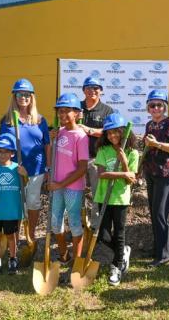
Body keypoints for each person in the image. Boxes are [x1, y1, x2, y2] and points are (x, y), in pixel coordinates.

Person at [0, 79, 51, 246]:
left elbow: (47, 145)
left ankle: (31, 235)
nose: (23, 97)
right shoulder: (6, 121)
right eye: (20, 94)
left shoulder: (40, 120)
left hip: (36, 169)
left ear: (32, 97)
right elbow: (1, 145)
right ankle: (16, 236)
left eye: (27, 94)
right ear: (14, 96)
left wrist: (48, 168)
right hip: (14, 169)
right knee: (17, 203)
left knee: (33, 202)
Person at [95, 113, 139, 285]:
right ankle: (122, 253)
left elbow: (131, 179)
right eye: (109, 133)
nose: (112, 136)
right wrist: (123, 172)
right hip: (103, 197)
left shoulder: (132, 152)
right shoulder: (103, 151)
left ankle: (117, 266)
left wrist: (124, 161)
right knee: (104, 234)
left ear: (122, 132)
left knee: (119, 233)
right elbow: (101, 174)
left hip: (120, 198)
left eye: (116, 132)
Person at [142, 90, 169, 267]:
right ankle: (158, 250)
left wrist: (157, 144)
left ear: (165, 107)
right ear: (148, 108)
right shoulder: (150, 125)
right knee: (154, 212)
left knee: (161, 214)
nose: (156, 108)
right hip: (151, 173)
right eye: (152, 105)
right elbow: (147, 149)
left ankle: (163, 256)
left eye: (159, 105)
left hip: (166, 174)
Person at [48, 93, 89, 264]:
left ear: (77, 113)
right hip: (57, 185)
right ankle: (64, 254)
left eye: (67, 111)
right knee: (55, 222)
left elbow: (82, 168)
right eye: (60, 111)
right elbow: (51, 160)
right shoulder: (59, 133)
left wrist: (60, 184)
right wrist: (51, 141)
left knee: (73, 222)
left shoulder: (81, 136)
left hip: (73, 187)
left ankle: (77, 259)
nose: (62, 115)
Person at [0, 133, 27, 276]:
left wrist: (25, 175)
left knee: (11, 236)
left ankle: (13, 257)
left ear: (12, 154)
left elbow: (24, 185)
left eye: (6, 152)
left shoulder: (17, 168)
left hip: (12, 210)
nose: (2, 155)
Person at [76, 77, 114, 228]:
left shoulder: (107, 110)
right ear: (83, 90)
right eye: (88, 87)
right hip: (77, 159)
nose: (92, 90)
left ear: (101, 91)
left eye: (96, 88)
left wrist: (89, 130)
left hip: (97, 158)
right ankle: (79, 223)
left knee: (98, 193)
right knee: (77, 193)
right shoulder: (76, 107)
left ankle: (95, 226)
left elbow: (110, 132)